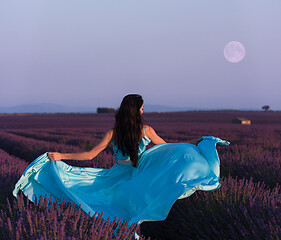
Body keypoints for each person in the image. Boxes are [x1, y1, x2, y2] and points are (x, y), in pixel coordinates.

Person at [13, 94, 229, 237]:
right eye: (142, 108)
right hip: (140, 177)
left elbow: (90, 155)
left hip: (116, 179)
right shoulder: (147, 130)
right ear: (136, 111)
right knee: (133, 214)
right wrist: (196, 144)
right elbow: (168, 149)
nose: (143, 111)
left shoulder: (113, 132)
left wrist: (61, 155)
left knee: (103, 208)